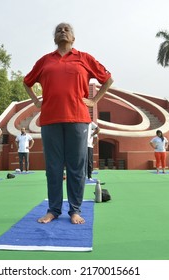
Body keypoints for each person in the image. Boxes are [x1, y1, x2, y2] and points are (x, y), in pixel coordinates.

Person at [23, 22, 113, 224]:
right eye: (58, 30)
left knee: (76, 167)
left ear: (73, 37)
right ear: (54, 38)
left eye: (66, 29)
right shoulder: (45, 61)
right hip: (50, 119)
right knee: (53, 167)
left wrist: (94, 100)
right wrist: (36, 101)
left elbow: (108, 79)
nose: (62, 31)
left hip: (78, 119)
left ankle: (75, 210)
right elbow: (26, 82)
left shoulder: (84, 58)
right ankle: (53, 210)